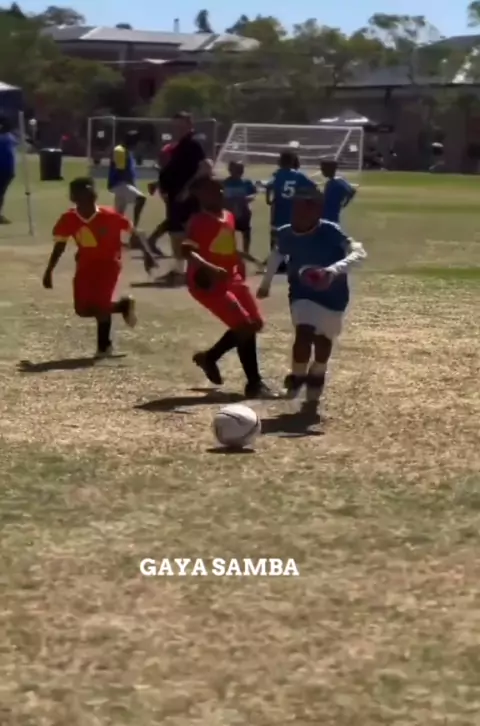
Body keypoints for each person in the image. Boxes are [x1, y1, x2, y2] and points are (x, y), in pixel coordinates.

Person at [257, 186, 366, 418]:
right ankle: (297, 377)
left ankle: (318, 372)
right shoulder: (286, 233)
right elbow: (277, 255)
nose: (299, 214)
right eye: (296, 209)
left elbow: (358, 254)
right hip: (301, 293)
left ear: (317, 211)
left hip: (333, 296)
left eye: (306, 209)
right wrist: (265, 284)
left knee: (323, 342)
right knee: (303, 332)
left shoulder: (331, 231)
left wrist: (332, 271)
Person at [182, 176, 275, 399]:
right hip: (207, 282)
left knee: (255, 324)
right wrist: (211, 268)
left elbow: (227, 247)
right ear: (200, 195)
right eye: (212, 190)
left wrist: (243, 262)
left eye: (220, 189)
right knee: (243, 327)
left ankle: (209, 357)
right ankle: (254, 384)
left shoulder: (229, 216)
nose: (219, 193)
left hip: (232, 278)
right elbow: (186, 250)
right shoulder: (198, 221)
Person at [42, 177, 138, 358]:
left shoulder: (110, 215)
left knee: (101, 304)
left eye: (90, 191)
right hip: (85, 265)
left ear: (94, 194)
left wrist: (147, 254)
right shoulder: (68, 219)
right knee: (83, 310)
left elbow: (132, 230)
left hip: (109, 264)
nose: (88, 196)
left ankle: (104, 347)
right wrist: (49, 270)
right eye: (81, 192)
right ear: (73, 197)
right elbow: (60, 245)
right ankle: (122, 306)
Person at [158, 112, 211, 286]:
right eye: (175, 125)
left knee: (188, 234)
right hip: (174, 197)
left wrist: (188, 189)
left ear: (189, 124)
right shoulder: (179, 145)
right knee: (175, 234)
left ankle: (193, 272)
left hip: (187, 198)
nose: (177, 128)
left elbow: (205, 167)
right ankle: (179, 271)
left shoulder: (194, 143)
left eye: (181, 125)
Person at [264, 150, 317, 273]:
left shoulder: (278, 174)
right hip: (294, 211)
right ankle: (295, 261)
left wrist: (269, 199)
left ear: (281, 161)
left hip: (279, 211)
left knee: (276, 236)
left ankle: (277, 263)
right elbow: (313, 187)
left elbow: (269, 186)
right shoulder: (299, 175)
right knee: (295, 236)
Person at [108, 131, 146, 230]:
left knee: (118, 216)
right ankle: (134, 229)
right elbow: (121, 170)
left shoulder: (127, 151)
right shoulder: (120, 150)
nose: (137, 145)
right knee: (141, 199)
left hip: (122, 184)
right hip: (120, 183)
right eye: (136, 142)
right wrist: (130, 186)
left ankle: (111, 235)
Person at [223, 161, 257, 254]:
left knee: (246, 232)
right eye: (237, 170)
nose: (239, 172)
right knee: (229, 234)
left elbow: (253, 194)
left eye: (240, 170)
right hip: (229, 213)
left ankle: (246, 252)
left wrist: (247, 198)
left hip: (243, 212)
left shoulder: (246, 182)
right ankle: (230, 252)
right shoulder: (225, 183)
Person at [0, 117, 17, 224]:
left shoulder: (9, 138)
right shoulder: (10, 138)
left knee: (1, 193)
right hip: (6, 170)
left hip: (6, 170)